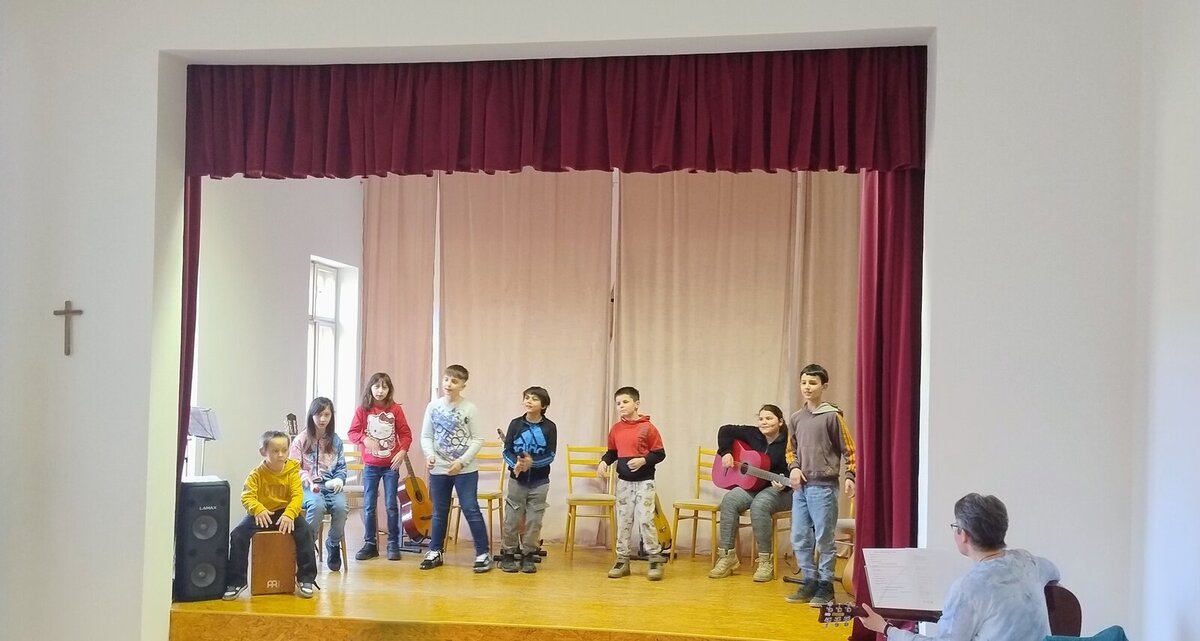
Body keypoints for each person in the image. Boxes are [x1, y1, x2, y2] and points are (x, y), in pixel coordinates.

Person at [858, 493, 1062, 641]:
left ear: (963, 534)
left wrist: (886, 629)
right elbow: (1055, 574)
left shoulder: (968, 588)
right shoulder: (1028, 561)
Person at [786, 363, 857, 605]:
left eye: (813, 383)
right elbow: (791, 450)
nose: (807, 387)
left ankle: (826, 585)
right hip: (801, 489)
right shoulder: (796, 418)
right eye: (804, 382)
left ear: (823, 386)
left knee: (824, 538)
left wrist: (850, 476)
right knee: (799, 536)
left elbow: (850, 450)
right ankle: (809, 580)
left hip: (823, 487)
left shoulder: (832, 416)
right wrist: (794, 468)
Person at [222, 430, 318, 600]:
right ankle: (237, 581)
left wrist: (290, 514)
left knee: (306, 532)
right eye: (275, 451)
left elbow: (297, 496)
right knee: (238, 535)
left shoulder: (292, 471)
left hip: (286, 513)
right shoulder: (256, 474)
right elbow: (247, 496)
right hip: (263, 513)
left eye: (284, 450)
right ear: (263, 452)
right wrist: (258, 509)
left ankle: (306, 578)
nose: (281, 455)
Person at [419, 364, 492, 572]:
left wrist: (461, 462)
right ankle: (435, 551)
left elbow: (478, 439)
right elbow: (426, 436)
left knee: (470, 508)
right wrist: (430, 455)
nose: (448, 384)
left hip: (465, 470)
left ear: (462, 385)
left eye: (454, 381)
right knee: (439, 511)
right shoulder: (433, 407)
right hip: (439, 469)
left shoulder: (470, 408)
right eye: (446, 379)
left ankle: (483, 553)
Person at [710, 404, 792, 581]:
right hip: (754, 486)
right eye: (761, 419)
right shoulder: (753, 433)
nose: (764, 422)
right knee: (729, 500)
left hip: (782, 490)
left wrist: (783, 482)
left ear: (780, 421)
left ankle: (765, 561)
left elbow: (794, 469)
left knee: (760, 505)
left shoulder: (789, 442)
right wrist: (726, 452)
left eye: (769, 418)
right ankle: (727, 557)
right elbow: (725, 430)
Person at [598, 386, 667, 581]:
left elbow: (659, 453)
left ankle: (654, 558)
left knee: (646, 519)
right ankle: (622, 559)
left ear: (636, 404)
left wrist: (644, 460)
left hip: (645, 482)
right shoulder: (616, 429)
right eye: (618, 403)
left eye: (625, 402)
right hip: (624, 483)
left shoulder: (648, 428)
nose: (621, 406)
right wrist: (604, 461)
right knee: (624, 521)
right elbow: (612, 452)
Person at [347, 372, 412, 561]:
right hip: (370, 466)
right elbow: (352, 432)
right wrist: (364, 439)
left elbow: (406, 434)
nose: (380, 390)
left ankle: (393, 543)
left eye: (384, 387)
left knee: (391, 504)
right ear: (370, 388)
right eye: (377, 386)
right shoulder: (363, 410)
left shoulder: (396, 410)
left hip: (391, 466)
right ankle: (370, 544)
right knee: (369, 505)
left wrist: (402, 451)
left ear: (389, 390)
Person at [498, 386, 558, 573]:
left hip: (540, 482)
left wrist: (532, 463)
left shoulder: (550, 427)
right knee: (512, 518)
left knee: (534, 520)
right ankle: (508, 554)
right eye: (527, 397)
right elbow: (507, 451)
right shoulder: (515, 424)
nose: (529, 401)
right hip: (517, 480)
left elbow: (551, 455)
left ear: (544, 405)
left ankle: (528, 555)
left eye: (534, 399)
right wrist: (516, 464)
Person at [289, 397, 348, 571]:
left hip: (331, 485)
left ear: (331, 416)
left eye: (326, 415)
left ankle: (333, 543)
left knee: (341, 507)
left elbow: (341, 466)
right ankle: (307, 546)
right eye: (318, 415)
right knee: (317, 506)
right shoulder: (300, 440)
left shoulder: (336, 441)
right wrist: (305, 477)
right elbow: (293, 467)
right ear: (311, 415)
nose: (322, 419)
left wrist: (339, 479)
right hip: (307, 487)